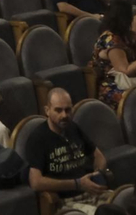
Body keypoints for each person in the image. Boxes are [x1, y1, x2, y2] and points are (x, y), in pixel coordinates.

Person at [25, 87, 118, 215]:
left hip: (92, 192)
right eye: (58, 110)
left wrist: (98, 176)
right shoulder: (37, 138)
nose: (64, 115)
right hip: (67, 202)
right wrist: (78, 184)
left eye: (68, 110)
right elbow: (36, 182)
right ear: (47, 110)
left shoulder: (73, 128)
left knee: (124, 203)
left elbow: (99, 157)